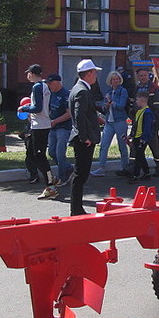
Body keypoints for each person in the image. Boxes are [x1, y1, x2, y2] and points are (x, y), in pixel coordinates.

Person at [68, 58, 102, 216]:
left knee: (80, 174)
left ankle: (77, 208)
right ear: (88, 74)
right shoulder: (82, 90)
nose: (96, 75)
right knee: (80, 174)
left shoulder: (78, 88)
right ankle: (76, 209)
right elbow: (79, 115)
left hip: (84, 137)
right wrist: (84, 137)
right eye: (94, 72)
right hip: (84, 139)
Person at [24, 64, 54, 196]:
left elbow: (38, 108)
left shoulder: (37, 86)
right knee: (32, 154)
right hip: (41, 123)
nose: (27, 75)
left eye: (28, 73)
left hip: (40, 125)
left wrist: (25, 108)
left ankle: (50, 184)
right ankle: (51, 179)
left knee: (39, 155)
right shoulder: (45, 85)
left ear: (32, 73)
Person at [93, 70, 130, 177]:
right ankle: (101, 167)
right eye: (113, 79)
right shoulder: (108, 91)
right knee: (104, 144)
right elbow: (105, 107)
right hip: (109, 121)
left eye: (117, 79)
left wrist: (111, 103)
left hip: (120, 121)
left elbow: (121, 105)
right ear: (110, 81)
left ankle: (125, 167)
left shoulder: (123, 91)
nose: (115, 81)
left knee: (122, 144)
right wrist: (106, 106)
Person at [133, 66, 159, 176]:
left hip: (150, 122)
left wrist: (155, 121)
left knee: (155, 145)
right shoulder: (136, 88)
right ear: (138, 77)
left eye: (145, 75)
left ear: (148, 76)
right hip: (139, 122)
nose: (143, 77)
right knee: (136, 146)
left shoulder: (154, 88)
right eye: (141, 76)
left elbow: (158, 107)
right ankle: (132, 168)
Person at [45, 74, 73, 189]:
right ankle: (69, 168)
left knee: (60, 153)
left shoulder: (65, 94)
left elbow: (69, 113)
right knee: (51, 151)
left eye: (50, 83)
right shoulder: (51, 93)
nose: (49, 85)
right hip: (53, 127)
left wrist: (55, 121)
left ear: (57, 82)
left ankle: (62, 177)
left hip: (63, 127)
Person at [128, 90, 155, 181]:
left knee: (138, 157)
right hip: (137, 137)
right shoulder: (139, 111)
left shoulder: (147, 112)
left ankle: (136, 175)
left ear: (142, 100)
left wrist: (143, 138)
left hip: (141, 138)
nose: (136, 101)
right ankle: (147, 172)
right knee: (141, 155)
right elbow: (135, 125)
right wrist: (131, 135)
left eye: (137, 100)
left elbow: (147, 127)